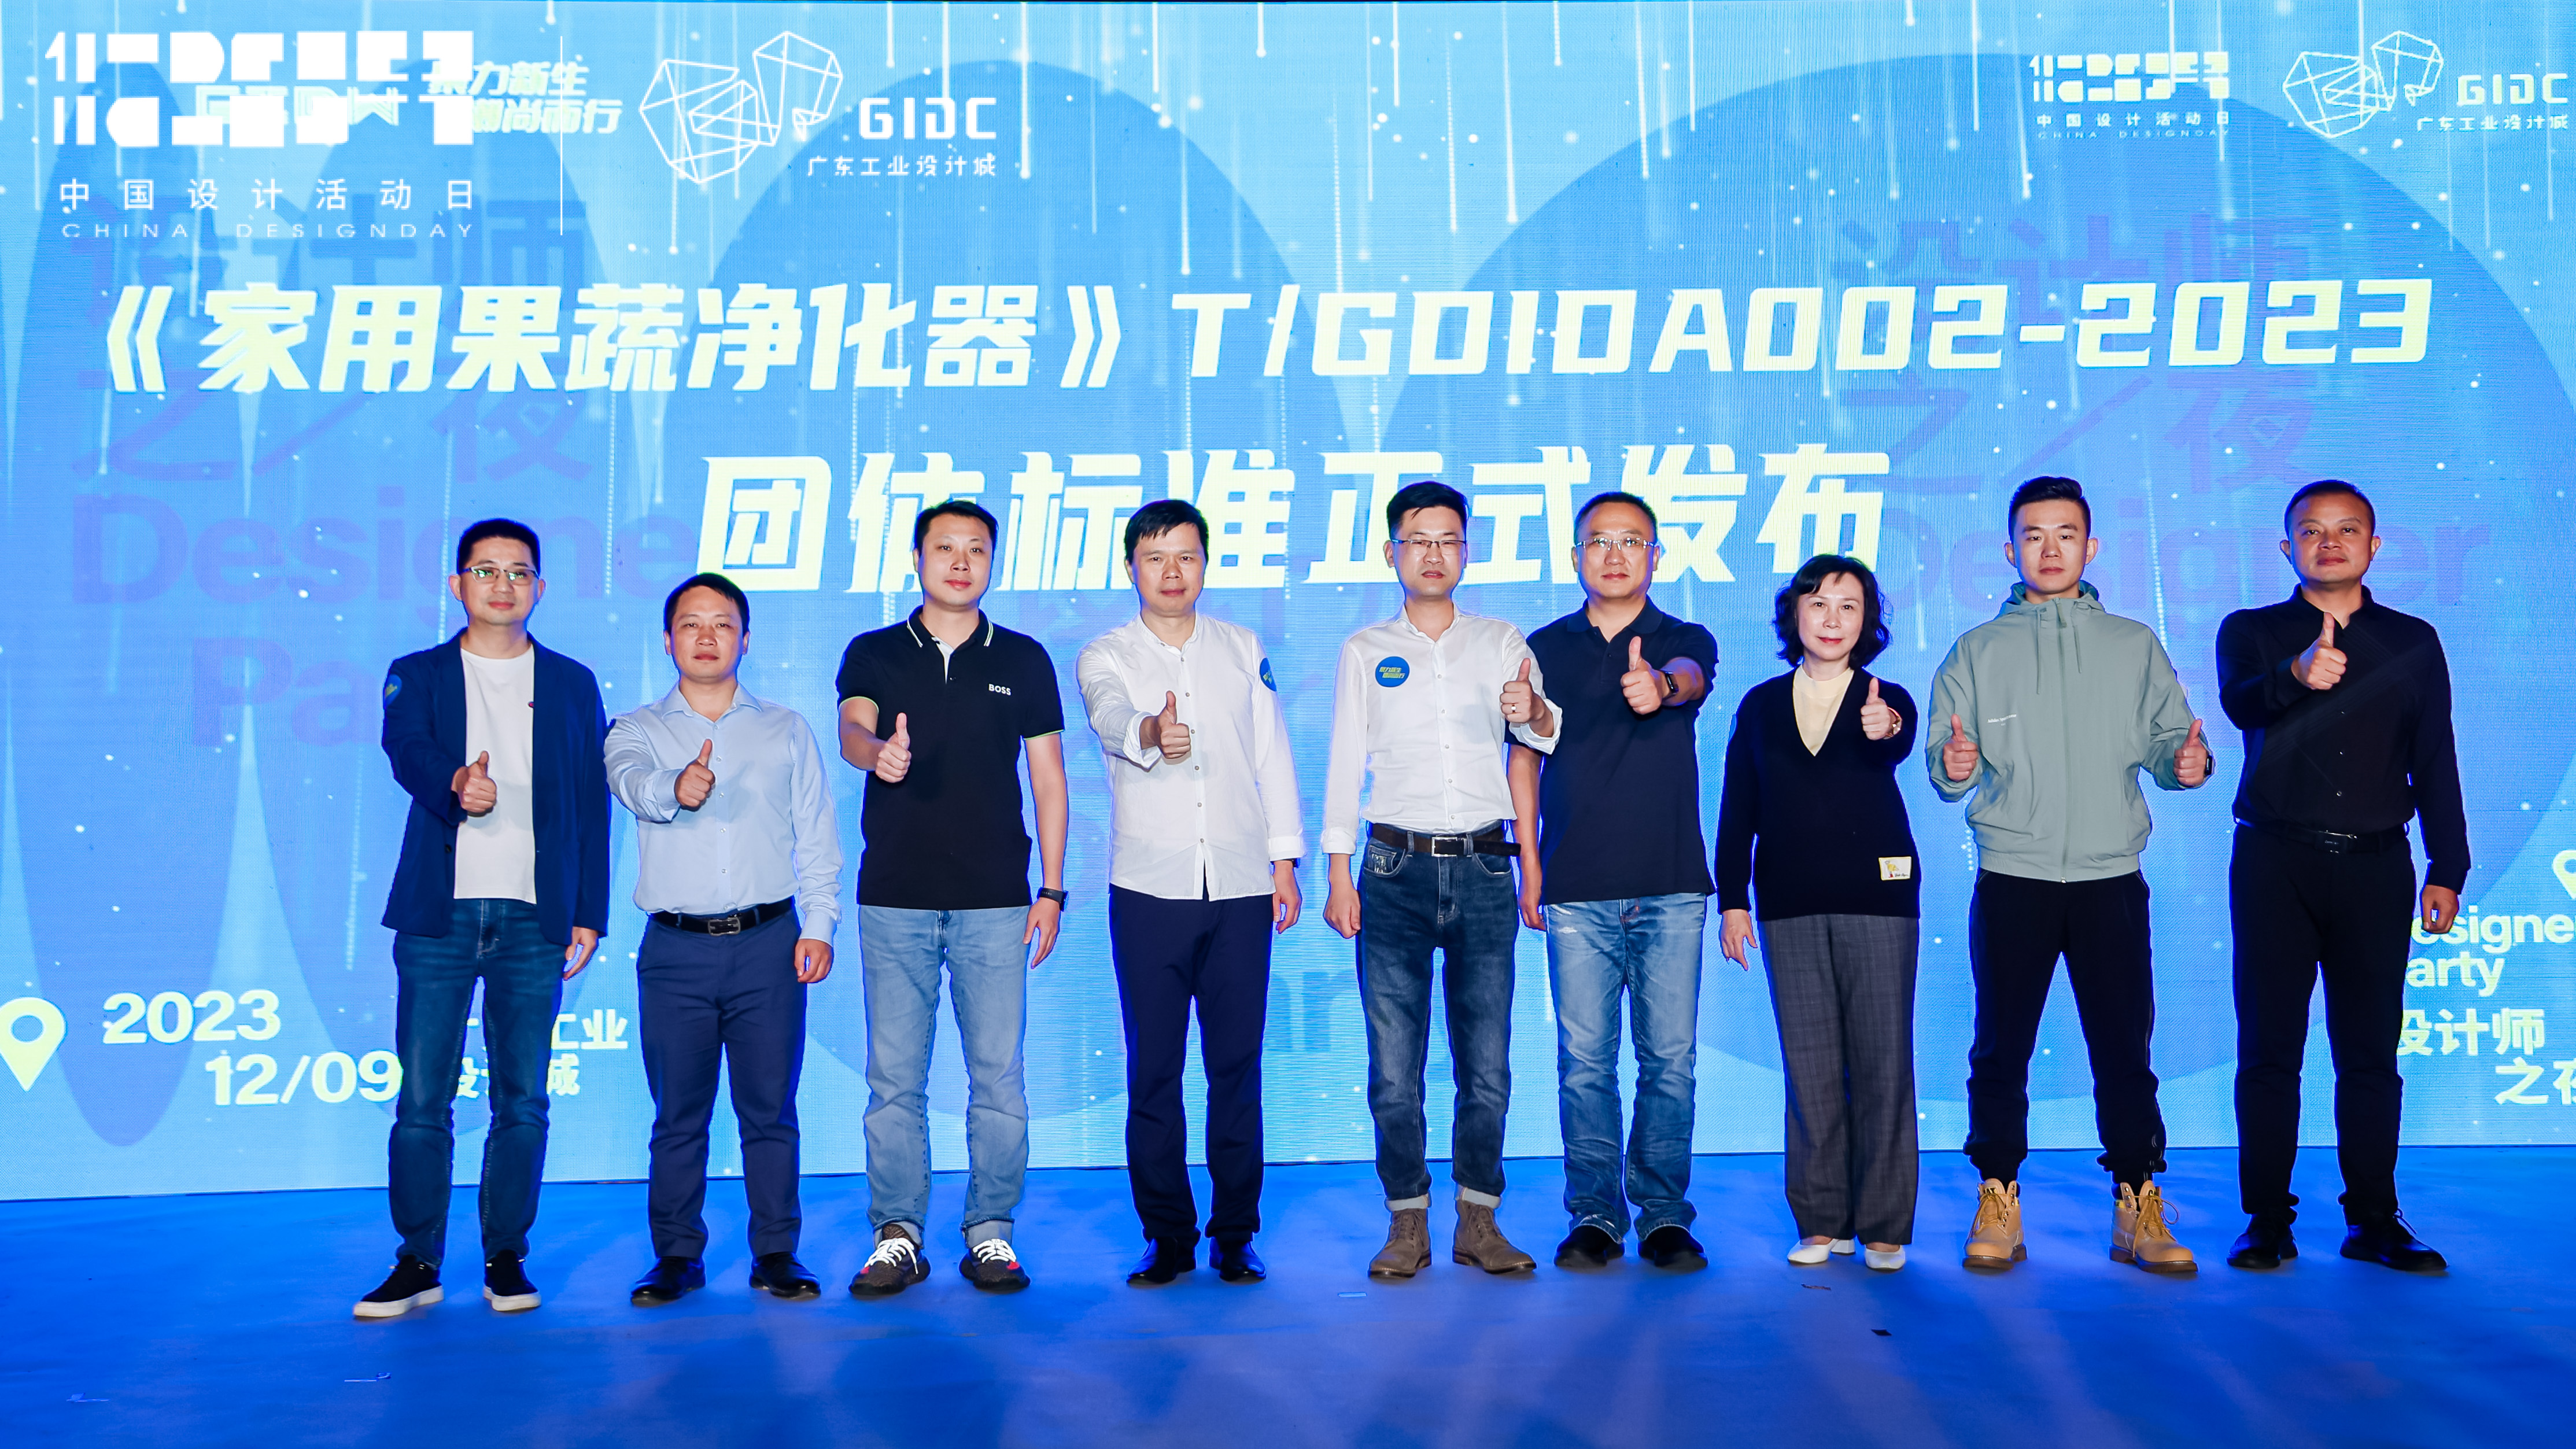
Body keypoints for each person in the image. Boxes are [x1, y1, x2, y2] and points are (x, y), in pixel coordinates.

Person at [1925, 476, 2212, 1275]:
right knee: (1999, 1049)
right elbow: (1944, 761)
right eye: (2032, 535)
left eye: (2064, 534)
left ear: (2090, 548)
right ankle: (1997, 1196)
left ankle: (2137, 1204)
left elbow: (2169, 742)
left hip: (2108, 878)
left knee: (2124, 1049)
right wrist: (1953, 764)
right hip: (2011, 877)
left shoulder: (2132, 643)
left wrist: (2185, 762)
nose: (2048, 549)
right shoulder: (1977, 649)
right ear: (2008, 549)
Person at [358, 519, 608, 1319]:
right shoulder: (418, 673)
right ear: (457, 583)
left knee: (523, 1099)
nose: (503, 585)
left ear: (539, 587)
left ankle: (506, 1255)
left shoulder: (571, 682)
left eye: (519, 572)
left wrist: (588, 909)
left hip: (535, 918)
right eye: (486, 570)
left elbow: (591, 801)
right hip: (440, 915)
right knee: (423, 1100)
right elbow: (405, 748)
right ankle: (417, 1261)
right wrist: (454, 783)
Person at [2217, 481, 2466, 1274]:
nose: (2328, 542)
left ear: (2373, 545)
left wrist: (2448, 865)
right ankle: (2265, 1218)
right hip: (2274, 860)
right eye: (2310, 531)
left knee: (2367, 1054)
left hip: (2375, 865)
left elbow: (2434, 755)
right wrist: (2296, 673)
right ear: (2285, 546)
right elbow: (2240, 705)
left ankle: (2374, 1220)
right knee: (2268, 1049)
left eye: (2346, 529)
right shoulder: (2252, 630)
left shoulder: (2412, 641)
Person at [1322, 480, 1559, 1280]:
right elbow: (1343, 760)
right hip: (1391, 867)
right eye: (1417, 540)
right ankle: (1406, 1221)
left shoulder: (1499, 640)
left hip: (1486, 864)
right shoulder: (1364, 649)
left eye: (1447, 540)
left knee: (1485, 1064)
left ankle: (1479, 1220)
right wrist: (1337, 870)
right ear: (1392, 552)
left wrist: (1531, 709)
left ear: (1466, 550)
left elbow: (1543, 733)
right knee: (1395, 1069)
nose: (1433, 553)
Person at [835, 500, 1070, 1297]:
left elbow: (1047, 780)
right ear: (917, 559)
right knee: (893, 1081)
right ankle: (897, 1235)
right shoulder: (874, 651)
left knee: (997, 1078)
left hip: (996, 900)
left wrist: (1052, 889)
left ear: (992, 563)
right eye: (945, 548)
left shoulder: (1024, 658)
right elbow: (852, 729)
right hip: (894, 899)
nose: (961, 562)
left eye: (976, 549)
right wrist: (878, 754)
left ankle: (991, 1232)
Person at [1077, 499, 1304, 1286]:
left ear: (1205, 564)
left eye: (1185, 556)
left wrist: (1283, 861)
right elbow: (1111, 718)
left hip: (1240, 886)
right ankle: (1167, 1235)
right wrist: (1150, 731)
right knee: (1154, 1071)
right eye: (1155, 558)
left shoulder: (1242, 647)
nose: (1171, 572)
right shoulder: (1104, 654)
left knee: (1236, 1068)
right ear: (1130, 568)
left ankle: (1234, 1233)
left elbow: (1272, 756)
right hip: (1149, 889)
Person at [607, 573, 843, 1307]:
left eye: (721, 624)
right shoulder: (634, 729)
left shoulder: (785, 729)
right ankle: (676, 1256)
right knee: (678, 1116)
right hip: (675, 951)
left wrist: (819, 926)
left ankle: (777, 1251)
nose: (706, 637)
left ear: (745, 639)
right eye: (690, 624)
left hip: (769, 944)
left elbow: (817, 836)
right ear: (667, 639)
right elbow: (630, 783)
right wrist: (673, 788)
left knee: (769, 1113)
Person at [1509, 490, 1718, 1272]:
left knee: (1669, 1062)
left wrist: (1660, 685)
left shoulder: (1682, 638)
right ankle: (1595, 1214)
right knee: (1585, 1065)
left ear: (1655, 557)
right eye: (1599, 541)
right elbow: (1524, 760)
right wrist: (1530, 865)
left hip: (1670, 885)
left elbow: (1689, 678)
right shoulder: (1542, 647)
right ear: (1575, 557)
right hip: (1574, 886)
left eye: (1632, 541)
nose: (1614, 554)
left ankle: (1662, 1215)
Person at [1715, 554, 1921, 1274]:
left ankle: (1884, 1225)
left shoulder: (1884, 697)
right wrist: (1733, 901)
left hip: (1880, 900)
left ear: (1866, 623)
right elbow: (1737, 809)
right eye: (1818, 604)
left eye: (1848, 606)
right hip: (1786, 905)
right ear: (1793, 615)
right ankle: (1821, 1220)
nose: (1831, 619)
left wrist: (1885, 725)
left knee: (1882, 1064)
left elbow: (1897, 734)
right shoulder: (1760, 705)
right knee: (1808, 1069)